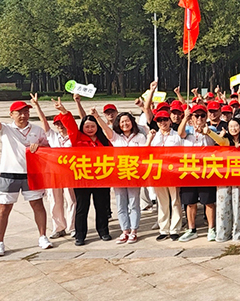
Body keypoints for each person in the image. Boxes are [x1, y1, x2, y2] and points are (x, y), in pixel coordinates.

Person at [0, 93, 52, 257]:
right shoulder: (6, 129)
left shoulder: (37, 130)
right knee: (4, 208)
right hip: (9, 174)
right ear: (11, 114)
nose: (23, 115)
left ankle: (43, 236)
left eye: (26, 112)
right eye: (19, 112)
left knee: (37, 205)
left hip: (32, 174)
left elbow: (49, 149)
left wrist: (40, 147)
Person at [54, 97, 113, 246]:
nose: (90, 129)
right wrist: (64, 111)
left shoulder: (103, 141)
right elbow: (71, 125)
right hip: (82, 179)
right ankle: (80, 235)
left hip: (101, 179)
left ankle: (103, 231)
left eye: (92, 126)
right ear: (82, 128)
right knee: (82, 208)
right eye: (87, 126)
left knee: (101, 206)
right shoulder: (77, 138)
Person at [98, 108, 147, 243]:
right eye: (122, 122)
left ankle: (134, 230)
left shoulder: (140, 137)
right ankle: (125, 230)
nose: (125, 124)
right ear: (118, 124)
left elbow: (145, 154)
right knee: (121, 204)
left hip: (133, 174)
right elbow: (105, 129)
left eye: (127, 121)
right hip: (119, 175)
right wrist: (97, 116)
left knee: (134, 203)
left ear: (132, 122)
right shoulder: (115, 137)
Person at [30, 94, 75, 240]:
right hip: (53, 173)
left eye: (62, 123)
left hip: (69, 173)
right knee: (55, 201)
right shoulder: (52, 136)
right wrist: (37, 106)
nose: (60, 126)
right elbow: (43, 121)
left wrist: (63, 111)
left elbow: (72, 124)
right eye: (57, 123)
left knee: (71, 200)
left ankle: (72, 227)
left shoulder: (73, 137)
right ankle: (59, 227)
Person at [177, 105, 218, 241]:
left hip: (206, 171)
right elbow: (180, 133)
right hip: (189, 171)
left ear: (206, 117)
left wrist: (207, 132)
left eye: (202, 115)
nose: (199, 118)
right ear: (192, 117)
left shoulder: (211, 130)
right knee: (190, 202)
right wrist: (185, 118)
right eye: (196, 115)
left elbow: (218, 140)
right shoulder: (187, 131)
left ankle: (211, 228)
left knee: (209, 202)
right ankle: (191, 229)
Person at [146, 107, 184, 240]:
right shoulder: (153, 136)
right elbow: (144, 152)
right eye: (159, 120)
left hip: (173, 172)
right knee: (162, 202)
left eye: (165, 119)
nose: (163, 122)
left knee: (175, 201)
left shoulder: (176, 136)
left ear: (170, 121)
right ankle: (164, 229)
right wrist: (149, 139)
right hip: (158, 172)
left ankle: (175, 229)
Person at [214, 118, 240, 242]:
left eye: (236, 126)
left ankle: (239, 234)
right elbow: (217, 140)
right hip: (224, 177)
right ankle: (223, 234)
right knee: (223, 205)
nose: (233, 128)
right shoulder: (225, 140)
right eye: (230, 126)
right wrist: (208, 131)